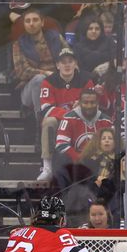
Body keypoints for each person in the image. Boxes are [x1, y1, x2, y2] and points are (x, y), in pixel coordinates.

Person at [36, 48, 95, 181]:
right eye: (63, 62)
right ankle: (47, 167)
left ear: (75, 64)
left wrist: (81, 108)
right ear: (57, 65)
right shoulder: (48, 82)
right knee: (48, 121)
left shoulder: (87, 81)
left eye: (70, 61)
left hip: (82, 119)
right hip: (60, 119)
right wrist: (69, 114)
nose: (67, 65)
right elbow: (46, 109)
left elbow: (92, 104)